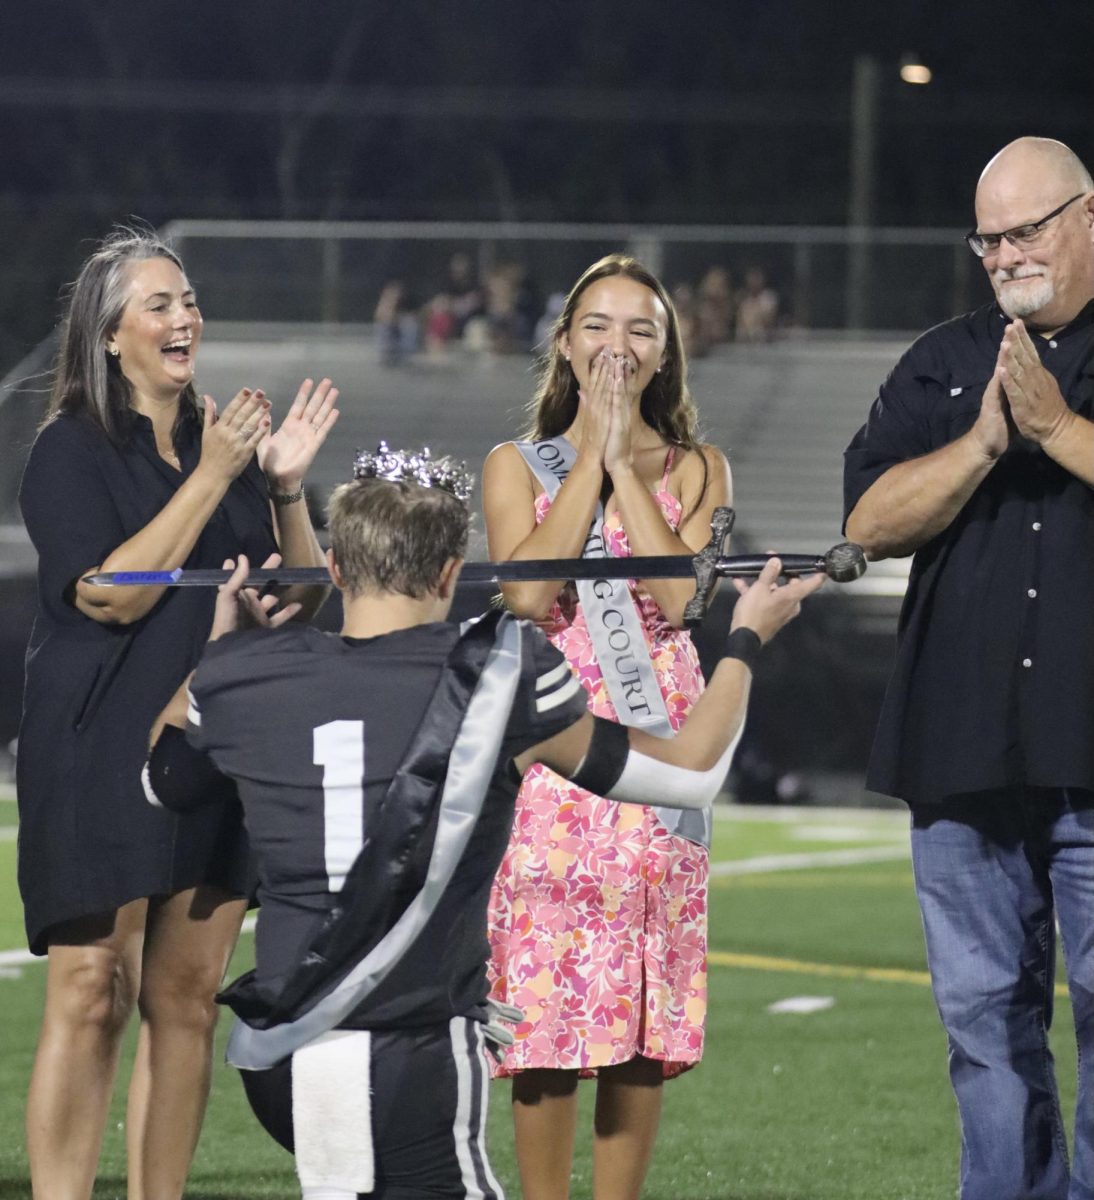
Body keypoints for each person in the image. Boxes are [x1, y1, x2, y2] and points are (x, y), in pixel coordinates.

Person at [144, 452, 823, 1199]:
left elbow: (164, 781)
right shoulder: (498, 674)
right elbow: (690, 772)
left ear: (334, 568)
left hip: (279, 1052)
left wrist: (214, 654)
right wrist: (747, 638)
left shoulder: (244, 672)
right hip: (405, 1051)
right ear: (448, 573)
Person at [17, 226, 338, 1200]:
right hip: (96, 742)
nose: (183, 317)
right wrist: (210, 475)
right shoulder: (68, 451)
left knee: (186, 998)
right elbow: (112, 594)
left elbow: (308, 594)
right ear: (110, 335)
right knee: (88, 991)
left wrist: (280, 488)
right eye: (158, 303)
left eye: (188, 300)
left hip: (210, 742)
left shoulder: (231, 450)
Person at [843, 137, 1094, 1200]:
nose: (1000, 255)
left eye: (1022, 231)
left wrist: (1058, 429)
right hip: (958, 753)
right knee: (982, 1028)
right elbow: (863, 519)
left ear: (1085, 217)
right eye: (985, 238)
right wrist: (983, 446)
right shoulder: (940, 361)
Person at [480, 253, 733, 1200]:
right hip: (552, 753)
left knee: (639, 1011)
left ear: (666, 353)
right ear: (565, 343)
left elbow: (678, 597)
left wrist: (628, 464)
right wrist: (589, 458)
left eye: (640, 328)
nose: (616, 344)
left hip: (663, 750)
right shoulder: (517, 465)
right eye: (597, 324)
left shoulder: (701, 467)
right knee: (542, 1004)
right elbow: (528, 593)